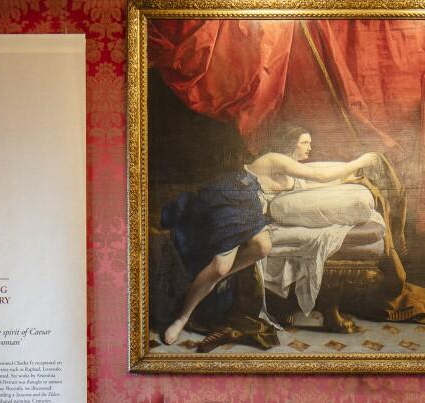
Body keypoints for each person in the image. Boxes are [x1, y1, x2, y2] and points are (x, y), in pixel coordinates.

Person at [159, 125, 381, 345]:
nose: (309, 147)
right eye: (305, 142)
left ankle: (218, 279)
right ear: (289, 142)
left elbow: (318, 181)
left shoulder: (291, 174)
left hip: (252, 212)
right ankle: (182, 317)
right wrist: (360, 161)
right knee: (220, 266)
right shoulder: (275, 159)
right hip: (234, 199)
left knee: (262, 247)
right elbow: (319, 174)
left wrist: (351, 178)